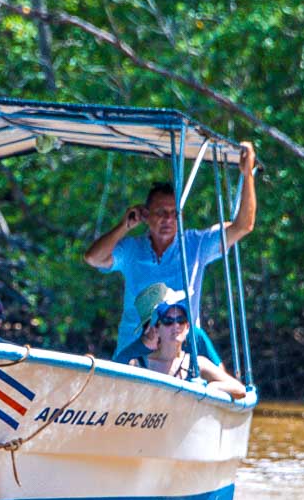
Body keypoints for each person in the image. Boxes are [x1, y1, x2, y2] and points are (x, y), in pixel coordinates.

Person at [83, 141, 257, 353]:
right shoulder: (131, 250)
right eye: (160, 212)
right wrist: (124, 226)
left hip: (178, 357)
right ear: (145, 215)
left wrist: (247, 173)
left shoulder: (196, 244)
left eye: (174, 213)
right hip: (133, 355)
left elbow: (243, 226)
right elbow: (93, 258)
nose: (168, 219)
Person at [129, 291, 247, 400]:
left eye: (181, 320)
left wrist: (212, 388)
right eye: (168, 321)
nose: (176, 326)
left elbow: (240, 390)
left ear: (187, 328)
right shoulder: (137, 364)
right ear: (156, 329)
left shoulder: (198, 364)